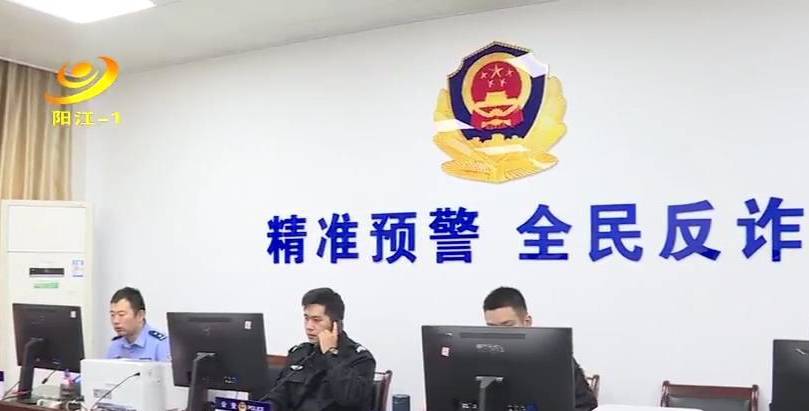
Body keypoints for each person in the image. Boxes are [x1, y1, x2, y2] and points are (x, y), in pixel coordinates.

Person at [483, 286, 598, 411]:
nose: (499, 334)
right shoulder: (480, 359)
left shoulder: (556, 358)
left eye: (508, 325)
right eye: (492, 327)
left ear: (527, 322)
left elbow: (586, 405)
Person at [264, 288, 375, 411]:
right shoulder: (300, 353)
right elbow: (279, 395)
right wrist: (266, 407)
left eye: (316, 320)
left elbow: (348, 398)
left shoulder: (360, 358)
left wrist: (330, 353)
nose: (309, 326)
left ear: (336, 324)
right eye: (306, 318)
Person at [106, 287, 170, 361]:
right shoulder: (114, 346)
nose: (115, 321)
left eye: (121, 315)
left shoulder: (161, 344)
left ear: (140, 315)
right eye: (112, 315)